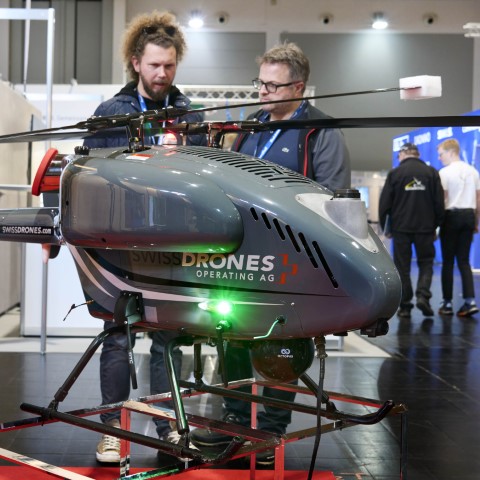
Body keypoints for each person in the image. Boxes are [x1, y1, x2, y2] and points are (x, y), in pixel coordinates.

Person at [190, 42, 351, 466]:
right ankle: (235, 421)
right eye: (260, 82)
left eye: (272, 86)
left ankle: (270, 432)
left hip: (291, 259)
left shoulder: (320, 131)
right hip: (241, 255)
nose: (262, 91)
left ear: (298, 87)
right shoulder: (251, 126)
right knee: (231, 336)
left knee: (281, 347)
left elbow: (333, 199)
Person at [83, 11, 206, 463]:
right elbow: (89, 176)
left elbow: (208, 182)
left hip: (174, 246)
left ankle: (168, 426)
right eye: (154, 65)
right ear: (136, 62)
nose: (162, 73)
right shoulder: (111, 113)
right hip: (118, 244)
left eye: (169, 65)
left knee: (168, 340)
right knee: (117, 336)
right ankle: (112, 430)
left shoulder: (190, 115)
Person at [379, 142, 445, 318]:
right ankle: (423, 296)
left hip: (401, 228)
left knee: (403, 266)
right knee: (426, 263)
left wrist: (386, 227)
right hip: (425, 228)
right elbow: (439, 204)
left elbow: (384, 204)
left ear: (402, 154)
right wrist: (436, 225)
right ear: (417, 154)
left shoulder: (395, 173)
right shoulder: (432, 173)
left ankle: (405, 306)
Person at [437, 138, 480, 316]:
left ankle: (447, 304)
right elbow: (478, 199)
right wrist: (476, 222)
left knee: (448, 262)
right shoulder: (473, 171)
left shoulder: (444, 172)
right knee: (464, 261)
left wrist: (437, 224)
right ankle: (470, 302)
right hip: (469, 216)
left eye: (441, 154)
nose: (439, 157)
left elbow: (443, 199)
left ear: (451, 152)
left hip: (451, 217)